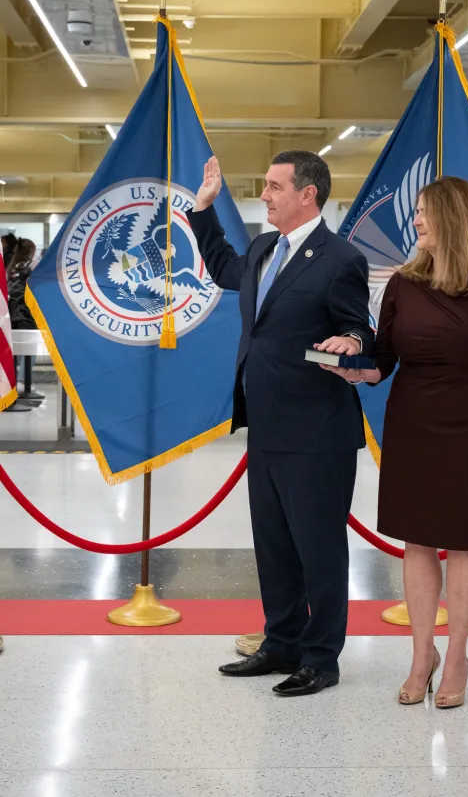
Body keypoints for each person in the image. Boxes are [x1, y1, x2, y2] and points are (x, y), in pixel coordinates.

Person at [322, 177, 468, 710]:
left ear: (453, 219)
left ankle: (456, 656)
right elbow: (383, 359)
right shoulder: (404, 283)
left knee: (463, 542)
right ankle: (421, 654)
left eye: (425, 212)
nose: (416, 221)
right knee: (415, 541)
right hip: (410, 424)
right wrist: (350, 366)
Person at [191, 151, 372, 697]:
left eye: (273, 186)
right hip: (266, 427)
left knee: (319, 550)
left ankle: (321, 658)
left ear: (307, 194)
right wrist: (202, 213)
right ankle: (281, 642)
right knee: (273, 545)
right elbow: (225, 268)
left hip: (317, 432)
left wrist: (354, 343)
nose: (264, 195)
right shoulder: (266, 247)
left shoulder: (340, 258)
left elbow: (356, 326)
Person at [6, 238, 37, 392]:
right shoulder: (28, 270)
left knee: (17, 353)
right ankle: (24, 382)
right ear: (30, 252)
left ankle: (18, 383)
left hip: (13, 316)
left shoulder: (11, 269)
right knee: (30, 352)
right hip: (26, 315)